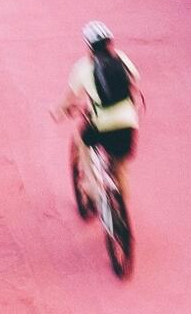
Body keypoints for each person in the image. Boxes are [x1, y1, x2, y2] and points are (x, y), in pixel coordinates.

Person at [56, 21, 143, 215]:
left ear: (89, 46)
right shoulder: (121, 58)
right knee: (120, 167)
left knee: (82, 141)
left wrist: (59, 110)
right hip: (128, 122)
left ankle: (93, 188)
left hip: (102, 125)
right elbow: (134, 81)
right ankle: (121, 217)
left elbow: (69, 98)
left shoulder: (83, 67)